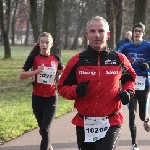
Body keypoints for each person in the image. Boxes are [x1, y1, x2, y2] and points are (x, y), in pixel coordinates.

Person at [57, 16, 136, 150]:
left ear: (108, 34)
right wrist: (75, 91)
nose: (97, 35)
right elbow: (62, 87)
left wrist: (128, 92)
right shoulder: (77, 60)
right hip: (84, 123)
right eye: (92, 31)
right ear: (87, 35)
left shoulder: (119, 59)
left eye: (101, 31)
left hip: (111, 121)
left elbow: (130, 80)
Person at [19, 32, 64, 150]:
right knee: (42, 128)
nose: (44, 45)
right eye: (42, 42)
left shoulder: (56, 58)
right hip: (37, 97)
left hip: (51, 97)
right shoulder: (34, 57)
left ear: (51, 44)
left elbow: (63, 73)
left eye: (47, 42)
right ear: (39, 44)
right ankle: (48, 145)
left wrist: (59, 77)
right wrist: (36, 71)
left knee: (45, 128)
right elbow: (22, 75)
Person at [122, 22, 150, 150]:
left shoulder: (148, 46)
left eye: (140, 31)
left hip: (144, 82)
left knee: (141, 115)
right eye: (136, 31)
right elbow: (120, 62)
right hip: (130, 82)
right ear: (133, 33)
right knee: (131, 113)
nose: (137, 33)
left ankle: (146, 118)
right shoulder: (126, 47)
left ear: (143, 33)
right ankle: (134, 144)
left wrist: (148, 65)